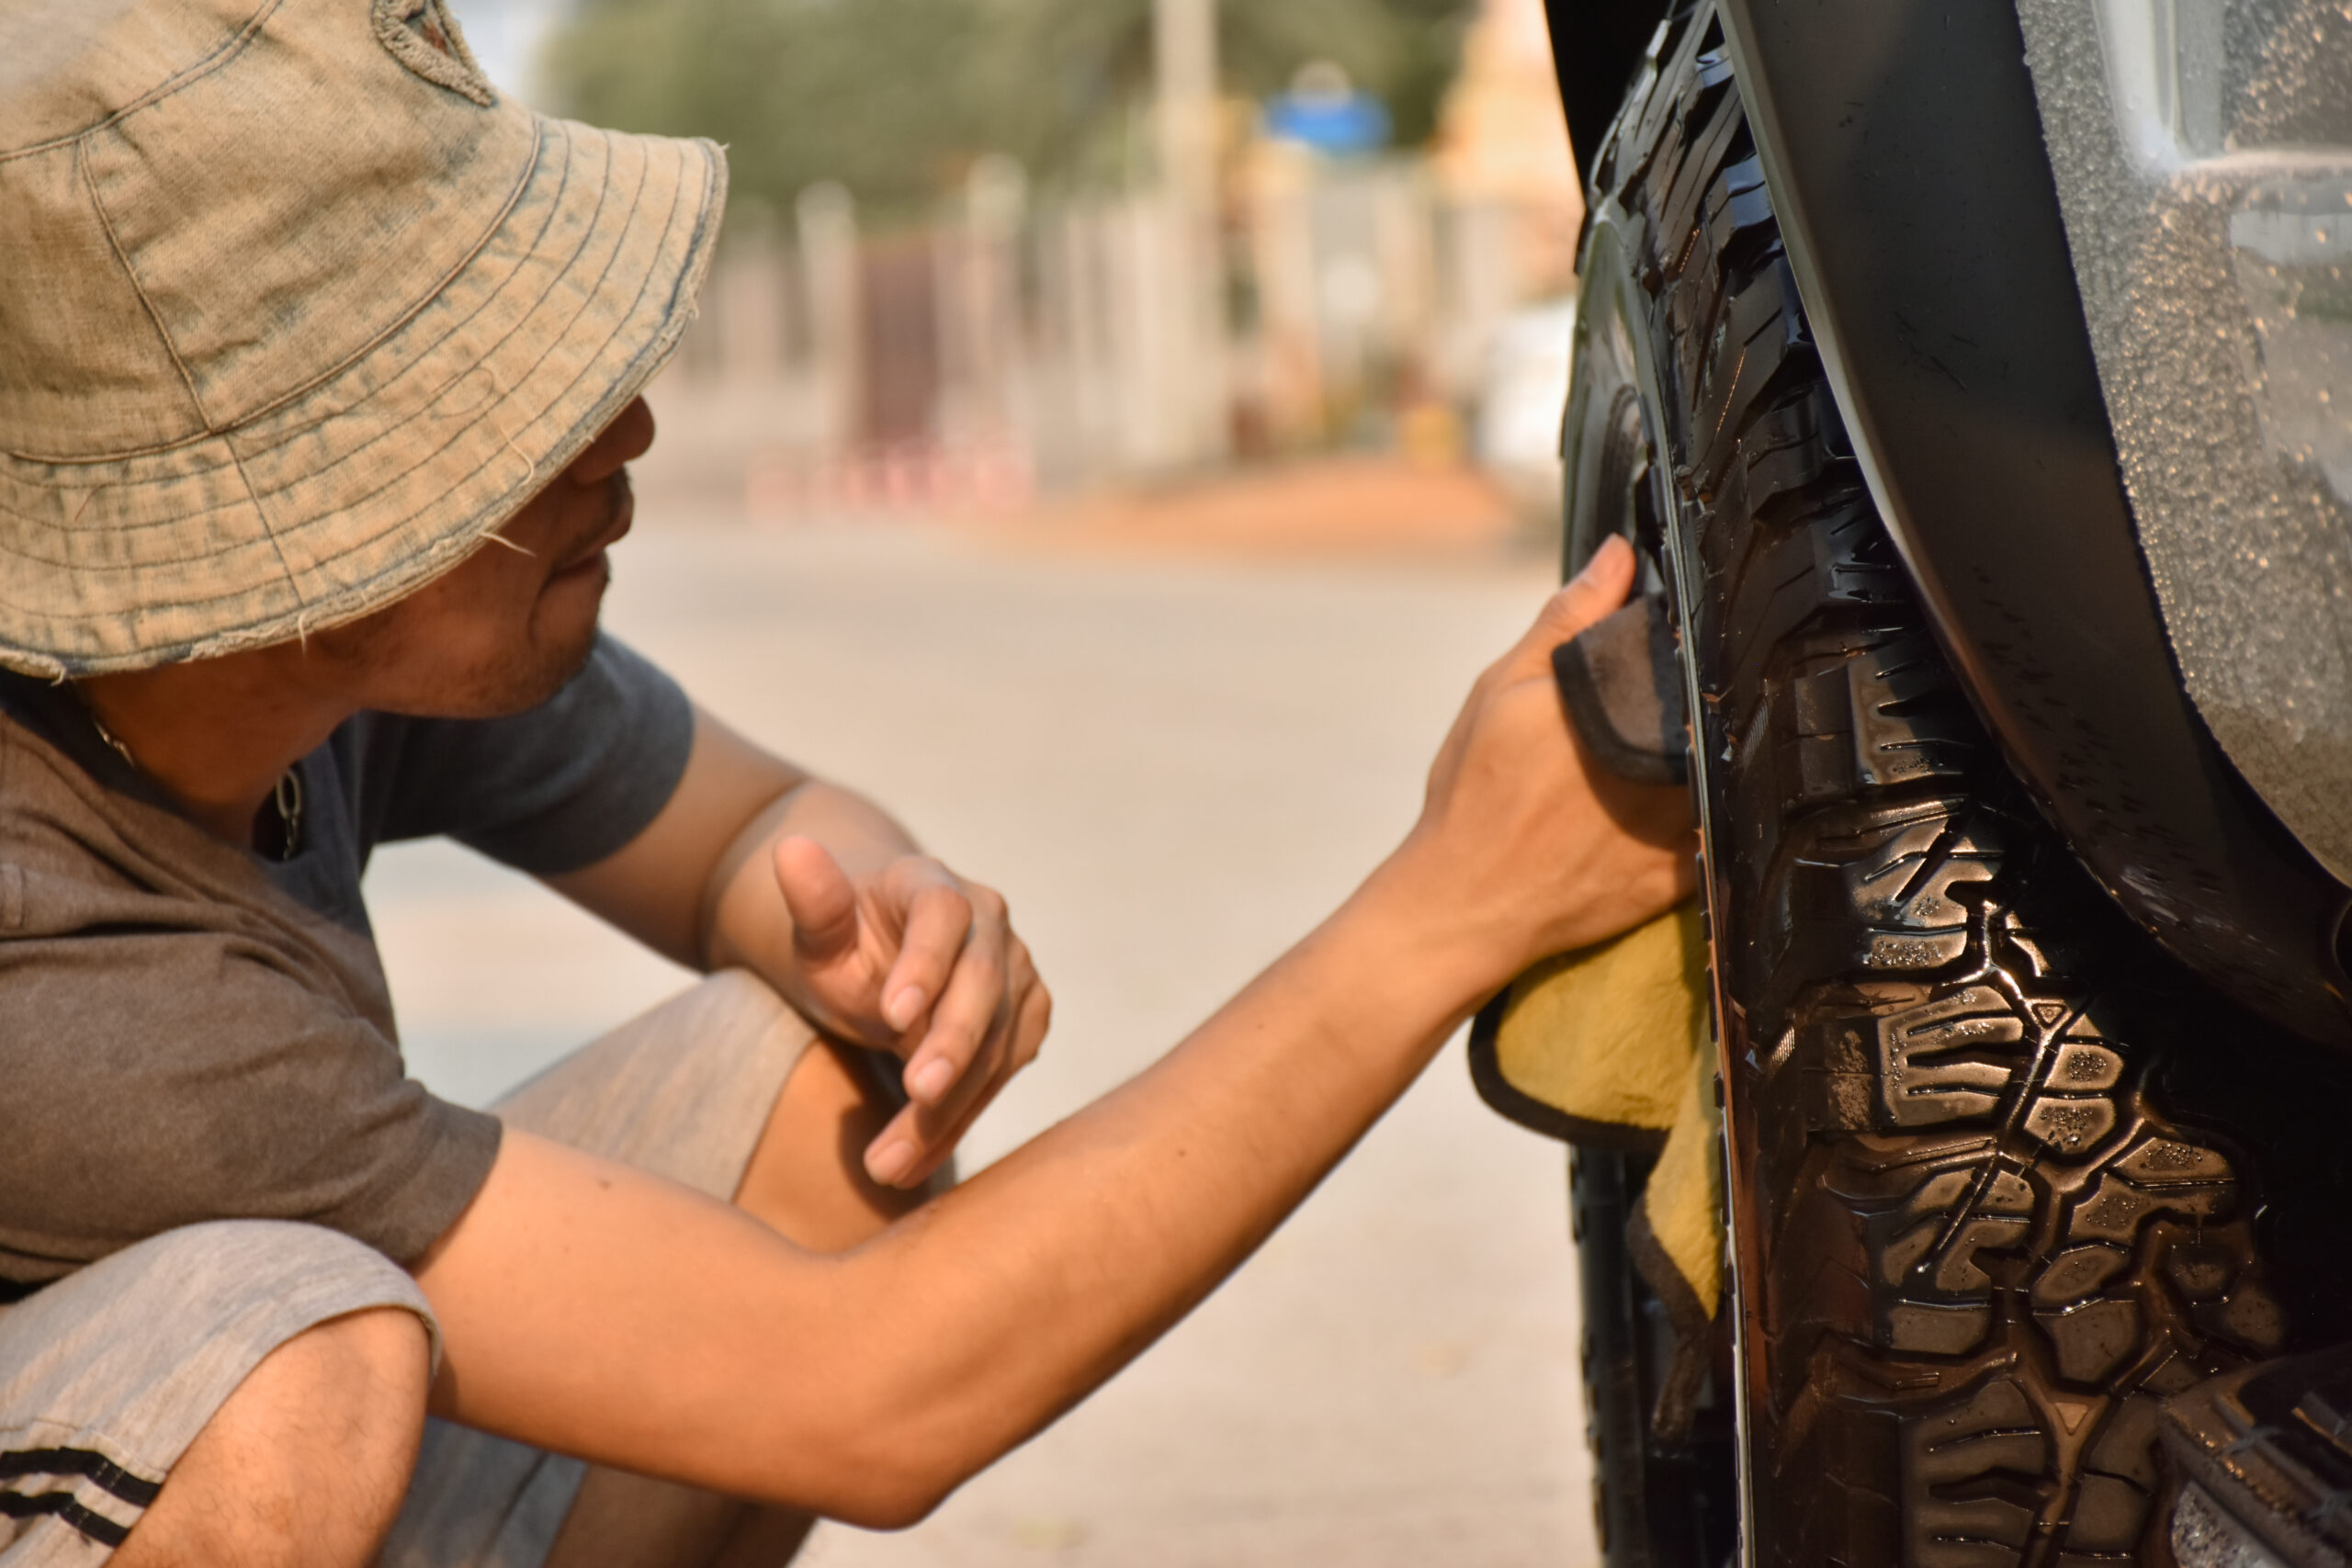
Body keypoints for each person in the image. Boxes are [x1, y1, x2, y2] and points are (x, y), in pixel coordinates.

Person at [0, 2, 1696, 1563]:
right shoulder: (68, 991)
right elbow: (869, 1402)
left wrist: (889, 920)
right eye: (492, 415)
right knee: (292, 1364)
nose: (626, 432)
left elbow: (749, 831)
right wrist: (1449, 907)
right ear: (277, 545)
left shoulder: (291, 665)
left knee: (825, 1082)